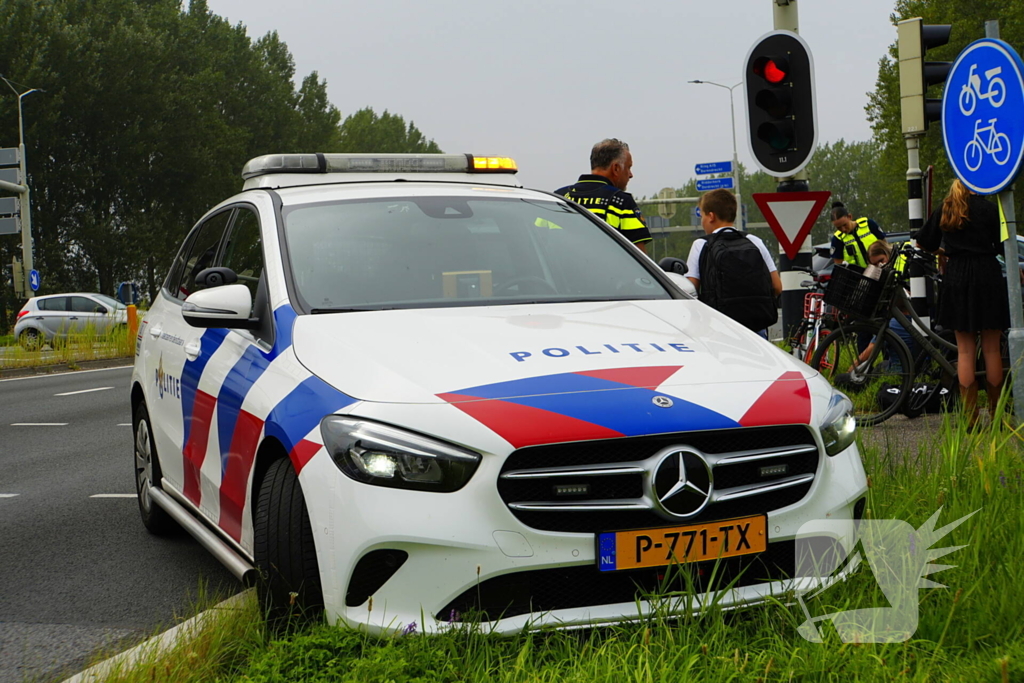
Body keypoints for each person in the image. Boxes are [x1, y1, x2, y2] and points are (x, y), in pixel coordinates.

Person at [916, 179, 1010, 426]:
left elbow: (923, 242)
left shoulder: (947, 207)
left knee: (965, 351)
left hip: (957, 276)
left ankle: (970, 419)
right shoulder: (990, 209)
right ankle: (996, 415)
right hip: (987, 275)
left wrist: (943, 253)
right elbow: (1004, 245)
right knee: (991, 349)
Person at [686, 189, 782, 335]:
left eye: (702, 216)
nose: (702, 222)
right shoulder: (754, 241)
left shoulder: (701, 244)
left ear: (711, 216)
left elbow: (690, 290)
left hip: (718, 328)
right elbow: (777, 287)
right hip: (755, 327)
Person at [556, 139, 652, 253]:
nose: (631, 175)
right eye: (628, 167)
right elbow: (639, 257)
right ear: (616, 168)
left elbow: (541, 241)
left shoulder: (557, 199)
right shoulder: (621, 202)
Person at [831, 202, 886, 268]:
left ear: (850, 217)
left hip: (880, 269)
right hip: (857, 274)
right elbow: (838, 265)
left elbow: (886, 246)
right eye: (838, 227)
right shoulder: (837, 239)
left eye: (845, 225)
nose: (843, 229)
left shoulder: (869, 224)